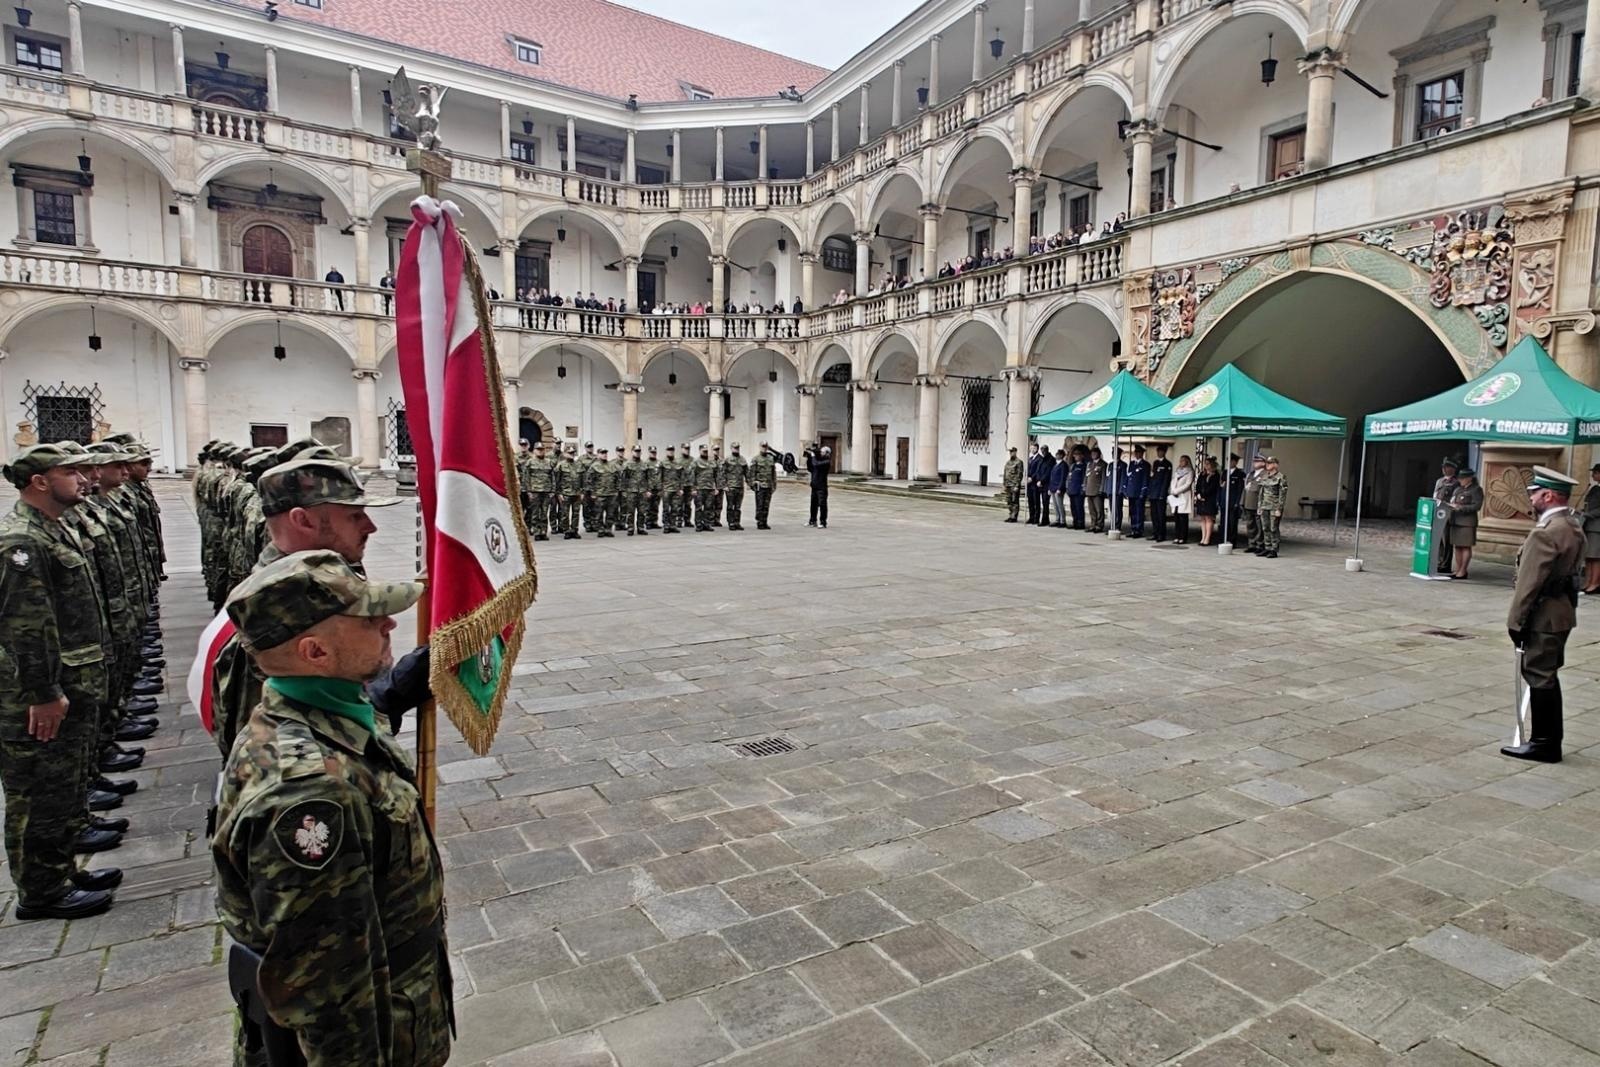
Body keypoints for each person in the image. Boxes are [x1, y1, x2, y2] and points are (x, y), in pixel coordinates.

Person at [213, 551, 452, 1065]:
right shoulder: (311, 796)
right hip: (378, 1038)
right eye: (368, 619)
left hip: (402, 1004)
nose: (389, 622)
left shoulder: (317, 711)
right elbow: (330, 993)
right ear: (315, 651)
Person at [0, 444, 121, 920]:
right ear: (40, 482)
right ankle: (40, 892)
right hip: (39, 693)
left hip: (73, 680)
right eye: (69, 471)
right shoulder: (21, 542)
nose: (82, 477)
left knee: (63, 784)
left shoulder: (53, 528)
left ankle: (61, 869)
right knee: (38, 792)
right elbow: (26, 627)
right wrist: (44, 693)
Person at [1502, 467, 1585, 763]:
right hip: (1561, 612)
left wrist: (1516, 622)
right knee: (1547, 675)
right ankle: (1548, 740)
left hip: (1543, 615)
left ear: (1548, 495)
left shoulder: (1547, 532)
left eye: (1534, 493)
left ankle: (1544, 744)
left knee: (1539, 676)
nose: (1531, 498)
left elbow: (1528, 584)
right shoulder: (1571, 524)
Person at [1446, 467, 1484, 580]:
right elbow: (1452, 501)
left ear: (1470, 478)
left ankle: (1463, 571)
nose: (1460, 480)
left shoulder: (1476, 489)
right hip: (1455, 520)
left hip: (1467, 522)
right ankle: (1458, 569)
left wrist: (1461, 508)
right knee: (1457, 546)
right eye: (1460, 478)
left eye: (1463, 478)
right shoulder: (1458, 489)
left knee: (1465, 546)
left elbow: (1477, 506)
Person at [1255, 455, 1288, 557]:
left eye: (1269, 463)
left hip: (1274, 506)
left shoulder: (1281, 477)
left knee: (1274, 528)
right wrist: (1259, 506)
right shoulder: (1265, 476)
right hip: (1265, 505)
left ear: (1275, 465)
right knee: (1265, 527)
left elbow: (1282, 495)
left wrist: (1279, 508)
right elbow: (1261, 493)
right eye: (1267, 463)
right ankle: (1267, 547)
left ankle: (1274, 549)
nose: (1267, 465)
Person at [1432, 457, 1460, 574]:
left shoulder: (1456, 483)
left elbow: (1455, 499)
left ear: (1453, 468)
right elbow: (1434, 494)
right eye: (1443, 467)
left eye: (1447, 467)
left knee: (1446, 541)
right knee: (1437, 540)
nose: (1444, 469)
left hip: (1448, 515)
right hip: (1437, 513)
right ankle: (1438, 562)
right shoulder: (1439, 481)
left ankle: (1446, 564)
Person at [522, 441, 555, 541]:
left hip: (546, 491)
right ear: (534, 450)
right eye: (538, 450)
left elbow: (552, 477)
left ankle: (543, 532)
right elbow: (526, 477)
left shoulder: (549, 462)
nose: (540, 451)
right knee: (535, 513)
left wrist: (552, 491)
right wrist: (528, 491)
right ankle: (536, 532)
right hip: (535, 491)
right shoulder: (530, 462)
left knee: (544, 512)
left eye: (542, 449)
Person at [749, 444, 778, 530]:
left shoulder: (771, 459)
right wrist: (753, 483)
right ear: (760, 447)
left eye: (765, 447)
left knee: (766, 505)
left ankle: (765, 521)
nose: (764, 449)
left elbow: (773, 473)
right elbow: (752, 472)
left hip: (768, 485)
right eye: (763, 447)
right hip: (760, 485)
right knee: (760, 504)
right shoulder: (756, 459)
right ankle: (760, 521)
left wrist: (774, 484)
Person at [1581, 464, 1600, 594]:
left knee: (1596, 556)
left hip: (1597, 527)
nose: (1593, 475)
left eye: (1595, 472)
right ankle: (1588, 581)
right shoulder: (1595, 488)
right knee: (1588, 556)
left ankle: (1595, 583)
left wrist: (1588, 514)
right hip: (1589, 525)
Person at [1124, 445, 1150, 538]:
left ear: (1142, 453)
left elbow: (1145, 479)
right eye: (1136, 452)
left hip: (1139, 492)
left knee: (1139, 512)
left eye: (1139, 452)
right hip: (1131, 491)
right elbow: (1128, 476)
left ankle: (1139, 530)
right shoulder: (1131, 464)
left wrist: (1143, 491)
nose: (1137, 454)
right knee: (1132, 511)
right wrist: (1125, 488)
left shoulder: (1145, 465)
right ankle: (1133, 528)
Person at [1242, 454, 1266, 553]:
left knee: (1259, 526)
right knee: (1250, 525)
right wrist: (1242, 502)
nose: (1255, 463)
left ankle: (1260, 545)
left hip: (1257, 503)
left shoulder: (1265, 474)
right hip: (1248, 502)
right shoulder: (1250, 474)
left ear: (1263, 463)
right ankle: (1251, 543)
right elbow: (1245, 489)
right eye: (1254, 461)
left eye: (1257, 461)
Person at [1148, 444, 1172, 542]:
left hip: (1161, 493)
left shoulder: (1167, 464)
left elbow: (1166, 480)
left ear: (1164, 452)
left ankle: (1161, 534)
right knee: (1154, 515)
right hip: (1153, 493)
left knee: (1161, 515)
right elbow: (1153, 477)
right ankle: (1155, 532)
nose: (1159, 453)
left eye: (1161, 451)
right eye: (1158, 451)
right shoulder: (1156, 463)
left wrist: (1162, 493)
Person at [1168, 454, 1194, 544]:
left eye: (1183, 460)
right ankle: (1177, 536)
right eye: (1180, 460)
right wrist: (1173, 490)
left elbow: (1187, 484)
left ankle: (1183, 537)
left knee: (1183, 518)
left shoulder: (1190, 471)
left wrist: (1177, 491)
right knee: (1177, 517)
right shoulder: (1177, 471)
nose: (1181, 462)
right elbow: (1173, 481)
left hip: (1183, 495)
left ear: (1187, 461)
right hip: (1175, 496)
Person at [1195, 456, 1220, 545]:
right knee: (1202, 518)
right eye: (1205, 464)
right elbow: (1197, 485)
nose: (1206, 465)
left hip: (1210, 499)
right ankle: (1203, 537)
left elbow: (1212, 488)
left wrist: (1203, 495)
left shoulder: (1215, 475)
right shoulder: (1202, 474)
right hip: (1201, 500)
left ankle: (1207, 538)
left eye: (1208, 464)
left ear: (1212, 465)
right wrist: (1197, 494)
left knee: (1209, 518)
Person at [722, 444, 748, 530]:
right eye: (735, 448)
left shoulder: (742, 459)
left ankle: (737, 522)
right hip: (730, 487)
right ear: (731, 449)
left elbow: (747, 473)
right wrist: (724, 485)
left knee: (738, 506)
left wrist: (749, 483)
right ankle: (731, 522)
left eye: (738, 448)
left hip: (740, 486)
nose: (736, 449)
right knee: (730, 506)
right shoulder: (727, 460)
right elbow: (722, 473)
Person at [805, 444, 831, 528]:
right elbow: (810, 468)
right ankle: (812, 520)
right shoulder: (817, 460)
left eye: (822, 452)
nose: (820, 453)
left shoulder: (826, 462)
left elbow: (816, 464)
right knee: (813, 504)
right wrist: (809, 457)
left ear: (827, 453)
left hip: (822, 487)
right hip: (814, 486)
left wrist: (813, 456)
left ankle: (823, 522)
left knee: (822, 505)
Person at [693, 445, 717, 532]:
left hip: (710, 488)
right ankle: (699, 524)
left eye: (706, 451)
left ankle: (707, 524)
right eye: (703, 451)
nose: (705, 453)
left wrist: (716, 487)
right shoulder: (696, 462)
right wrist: (694, 488)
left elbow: (715, 475)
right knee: (699, 508)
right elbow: (692, 476)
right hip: (699, 488)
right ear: (699, 451)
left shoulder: (711, 462)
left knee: (708, 507)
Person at [1225, 453, 1247, 547]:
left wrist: (1237, 502)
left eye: (1231, 461)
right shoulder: (1225, 472)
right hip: (1225, 501)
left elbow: (1240, 489)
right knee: (1225, 522)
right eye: (1228, 460)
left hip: (1234, 501)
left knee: (1233, 522)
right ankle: (1225, 539)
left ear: (1235, 462)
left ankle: (1232, 541)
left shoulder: (1240, 474)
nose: (1229, 463)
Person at [1084, 446, 1106, 533]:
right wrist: (1084, 486)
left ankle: (1099, 525)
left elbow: (1104, 477)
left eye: (1095, 453)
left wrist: (1101, 489)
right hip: (1089, 489)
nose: (1093, 455)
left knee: (1099, 509)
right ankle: (1093, 524)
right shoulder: (1089, 464)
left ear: (1099, 454)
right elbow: (1086, 476)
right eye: (1092, 453)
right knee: (1091, 509)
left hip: (1097, 490)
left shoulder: (1103, 464)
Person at [1065, 445, 1088, 530]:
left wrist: (1083, 489)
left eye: (1077, 454)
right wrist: (1067, 487)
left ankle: (1080, 523)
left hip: (1079, 490)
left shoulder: (1084, 466)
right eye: (1074, 454)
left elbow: (1084, 478)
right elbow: (1069, 477)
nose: (1075, 456)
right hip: (1072, 489)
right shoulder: (1073, 466)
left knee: (1079, 508)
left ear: (1082, 456)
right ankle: (1075, 522)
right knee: (1073, 507)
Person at [1048, 448, 1069, 527]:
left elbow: (1063, 478)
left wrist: (1060, 488)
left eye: (1059, 454)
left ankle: (1062, 521)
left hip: (1058, 488)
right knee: (1055, 505)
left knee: (1060, 505)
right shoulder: (1055, 465)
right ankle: (1057, 519)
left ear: (1062, 455)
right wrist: (1050, 488)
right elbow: (1052, 477)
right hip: (1053, 487)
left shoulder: (1063, 465)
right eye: (1056, 454)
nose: (1057, 456)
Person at [1024, 443, 1044, 525]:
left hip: (1035, 482)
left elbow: (1038, 470)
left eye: (1033, 448)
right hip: (1029, 483)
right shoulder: (1030, 458)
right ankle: (1031, 517)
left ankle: (1036, 518)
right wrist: (1026, 476)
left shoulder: (1040, 458)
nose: (1032, 450)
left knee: (1036, 501)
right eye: (1031, 448)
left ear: (1037, 448)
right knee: (1030, 501)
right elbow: (1028, 469)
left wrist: (1032, 478)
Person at [1002, 446, 1024, 522]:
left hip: (1014, 485)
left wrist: (1017, 485)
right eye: (1010, 452)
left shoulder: (1019, 462)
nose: (1011, 453)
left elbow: (1019, 475)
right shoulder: (1008, 462)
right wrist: (1004, 484)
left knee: (1015, 501)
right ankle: (1010, 515)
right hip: (1008, 484)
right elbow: (1005, 474)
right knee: (1009, 501)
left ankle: (1014, 516)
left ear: (1015, 452)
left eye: (1013, 452)